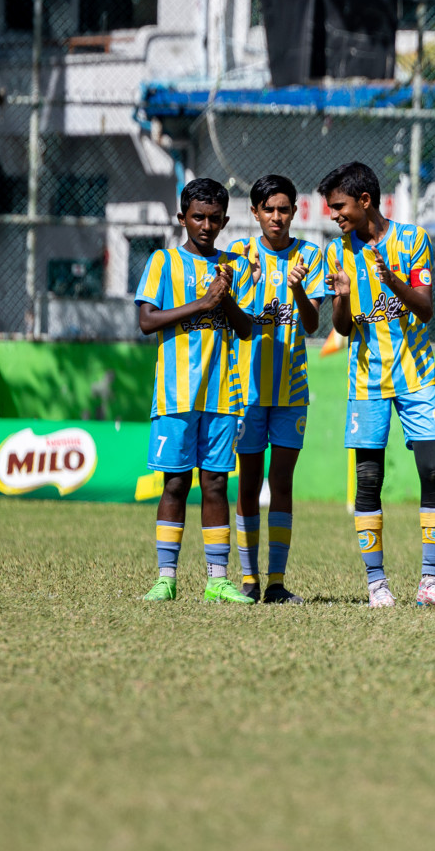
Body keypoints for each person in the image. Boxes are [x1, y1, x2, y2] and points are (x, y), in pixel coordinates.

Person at [318, 161, 435, 609]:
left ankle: (430, 583)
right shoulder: (336, 251)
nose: (334, 215)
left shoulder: (413, 239)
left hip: (417, 377)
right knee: (368, 480)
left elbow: (425, 309)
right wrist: (340, 297)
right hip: (367, 382)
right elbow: (341, 327)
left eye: (339, 206)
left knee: (433, 472)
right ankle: (377, 584)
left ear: (364, 201)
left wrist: (389, 277)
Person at [136, 177, 255, 604]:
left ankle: (217, 579)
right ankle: (166, 577)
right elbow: (148, 320)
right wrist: (202, 304)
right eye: (198, 217)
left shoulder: (234, 266)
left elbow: (245, 330)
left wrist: (223, 300)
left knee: (217, 484)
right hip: (176, 394)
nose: (206, 225)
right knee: (174, 484)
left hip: (223, 394)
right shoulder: (163, 262)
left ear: (225, 220)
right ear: (182, 217)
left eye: (215, 219)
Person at [227, 175, 327, 605]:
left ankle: (276, 582)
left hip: (291, 390)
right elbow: (237, 319)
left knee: (280, 483)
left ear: (295, 211)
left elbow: (311, 323)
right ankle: (248, 580)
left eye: (284, 209)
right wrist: (245, 281)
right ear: (254, 213)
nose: (277, 217)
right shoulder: (238, 256)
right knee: (248, 484)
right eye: (268, 209)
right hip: (245, 390)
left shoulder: (310, 255)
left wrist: (299, 288)